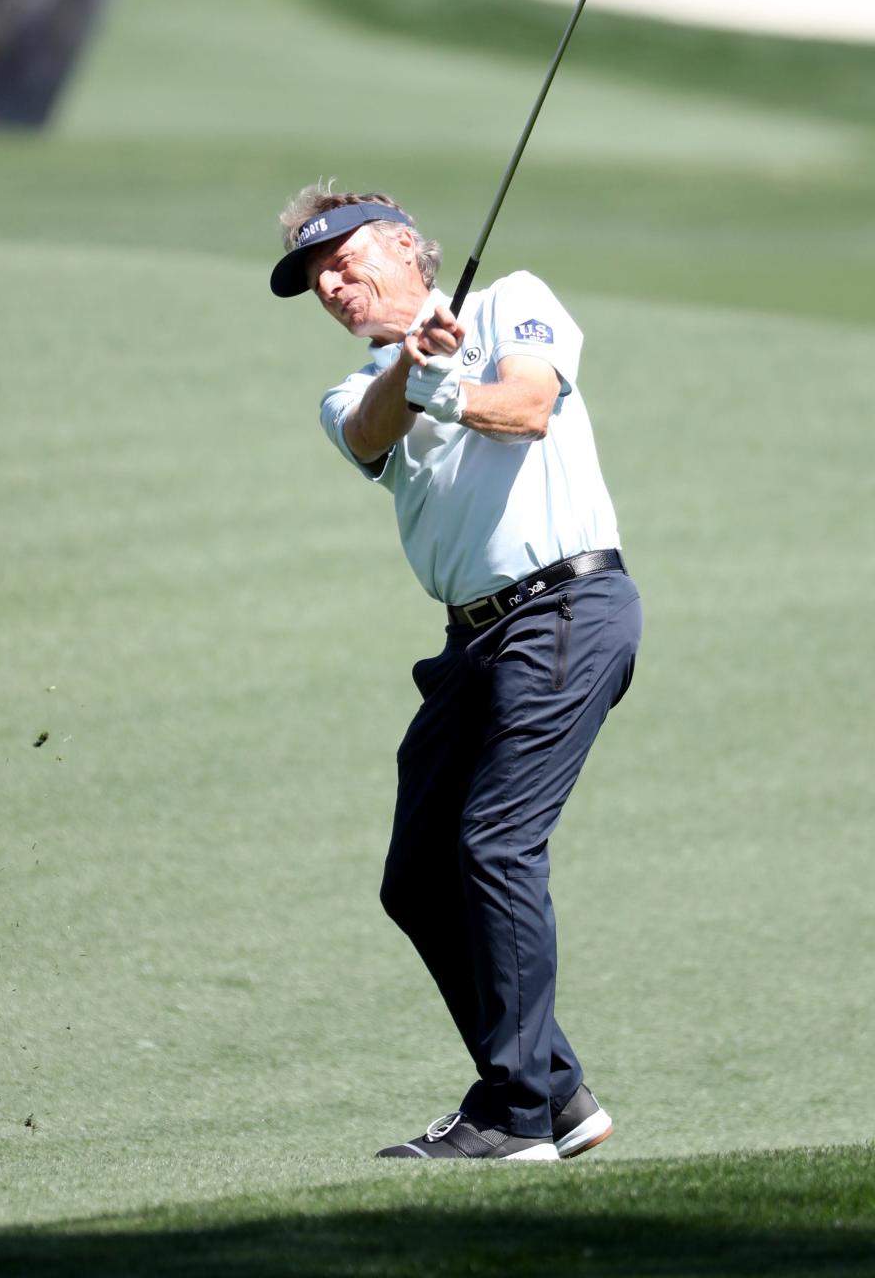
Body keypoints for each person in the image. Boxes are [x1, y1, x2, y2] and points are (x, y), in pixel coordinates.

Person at [270, 183, 642, 1162]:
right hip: (472, 642)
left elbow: (527, 408)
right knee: (418, 874)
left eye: (347, 262)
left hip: (564, 607)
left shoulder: (511, 300)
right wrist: (412, 364)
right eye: (318, 281)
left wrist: (452, 381)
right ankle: (556, 1096)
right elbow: (369, 430)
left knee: (495, 844)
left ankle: (514, 1114)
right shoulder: (354, 387)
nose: (335, 287)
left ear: (402, 246)